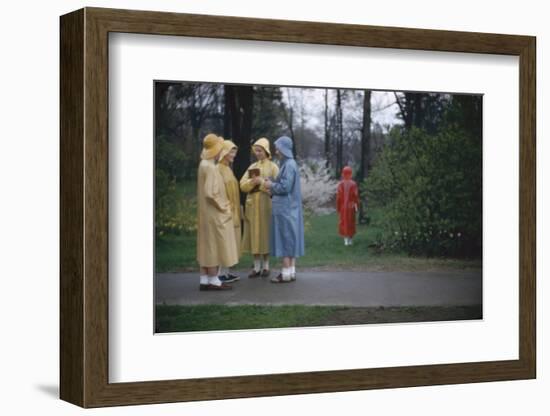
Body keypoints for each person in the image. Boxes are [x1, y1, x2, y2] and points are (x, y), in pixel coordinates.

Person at [196, 133, 238, 290]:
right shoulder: (212, 168)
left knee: (205, 245)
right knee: (213, 245)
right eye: (220, 148)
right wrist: (224, 206)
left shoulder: (203, 164)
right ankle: (214, 280)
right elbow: (210, 193)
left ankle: (204, 279)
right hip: (213, 213)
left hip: (205, 213)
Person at [264, 136, 305, 283]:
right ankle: (291, 272)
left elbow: (285, 187)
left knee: (285, 239)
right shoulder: (290, 164)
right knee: (290, 240)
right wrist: (274, 188)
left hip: (285, 210)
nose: (276, 151)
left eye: (278, 148)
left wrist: (271, 185)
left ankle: (285, 274)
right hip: (289, 208)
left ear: (284, 149)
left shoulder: (288, 165)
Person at [240, 138, 279, 278]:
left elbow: (278, 185)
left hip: (265, 205)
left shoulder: (273, 167)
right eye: (256, 151)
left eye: (260, 150)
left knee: (265, 234)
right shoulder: (252, 167)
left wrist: (262, 184)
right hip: (252, 205)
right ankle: (256, 267)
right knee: (253, 235)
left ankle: (267, 266)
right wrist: (252, 182)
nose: (257, 153)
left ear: (266, 151)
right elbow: (242, 185)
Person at [217, 139, 241, 283]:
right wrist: (225, 208)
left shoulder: (228, 169)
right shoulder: (218, 169)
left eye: (235, 152)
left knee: (231, 242)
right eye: (231, 152)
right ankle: (220, 273)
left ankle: (226, 272)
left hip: (233, 210)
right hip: (225, 211)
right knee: (224, 241)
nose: (234, 155)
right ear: (224, 152)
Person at [336, 166, 359, 246]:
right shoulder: (353, 184)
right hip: (351, 206)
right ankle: (350, 239)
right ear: (351, 173)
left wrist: (338, 207)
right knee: (351, 222)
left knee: (344, 222)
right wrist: (356, 206)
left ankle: (345, 240)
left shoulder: (341, 184)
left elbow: (338, 197)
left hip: (343, 206)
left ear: (343, 173)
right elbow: (355, 196)